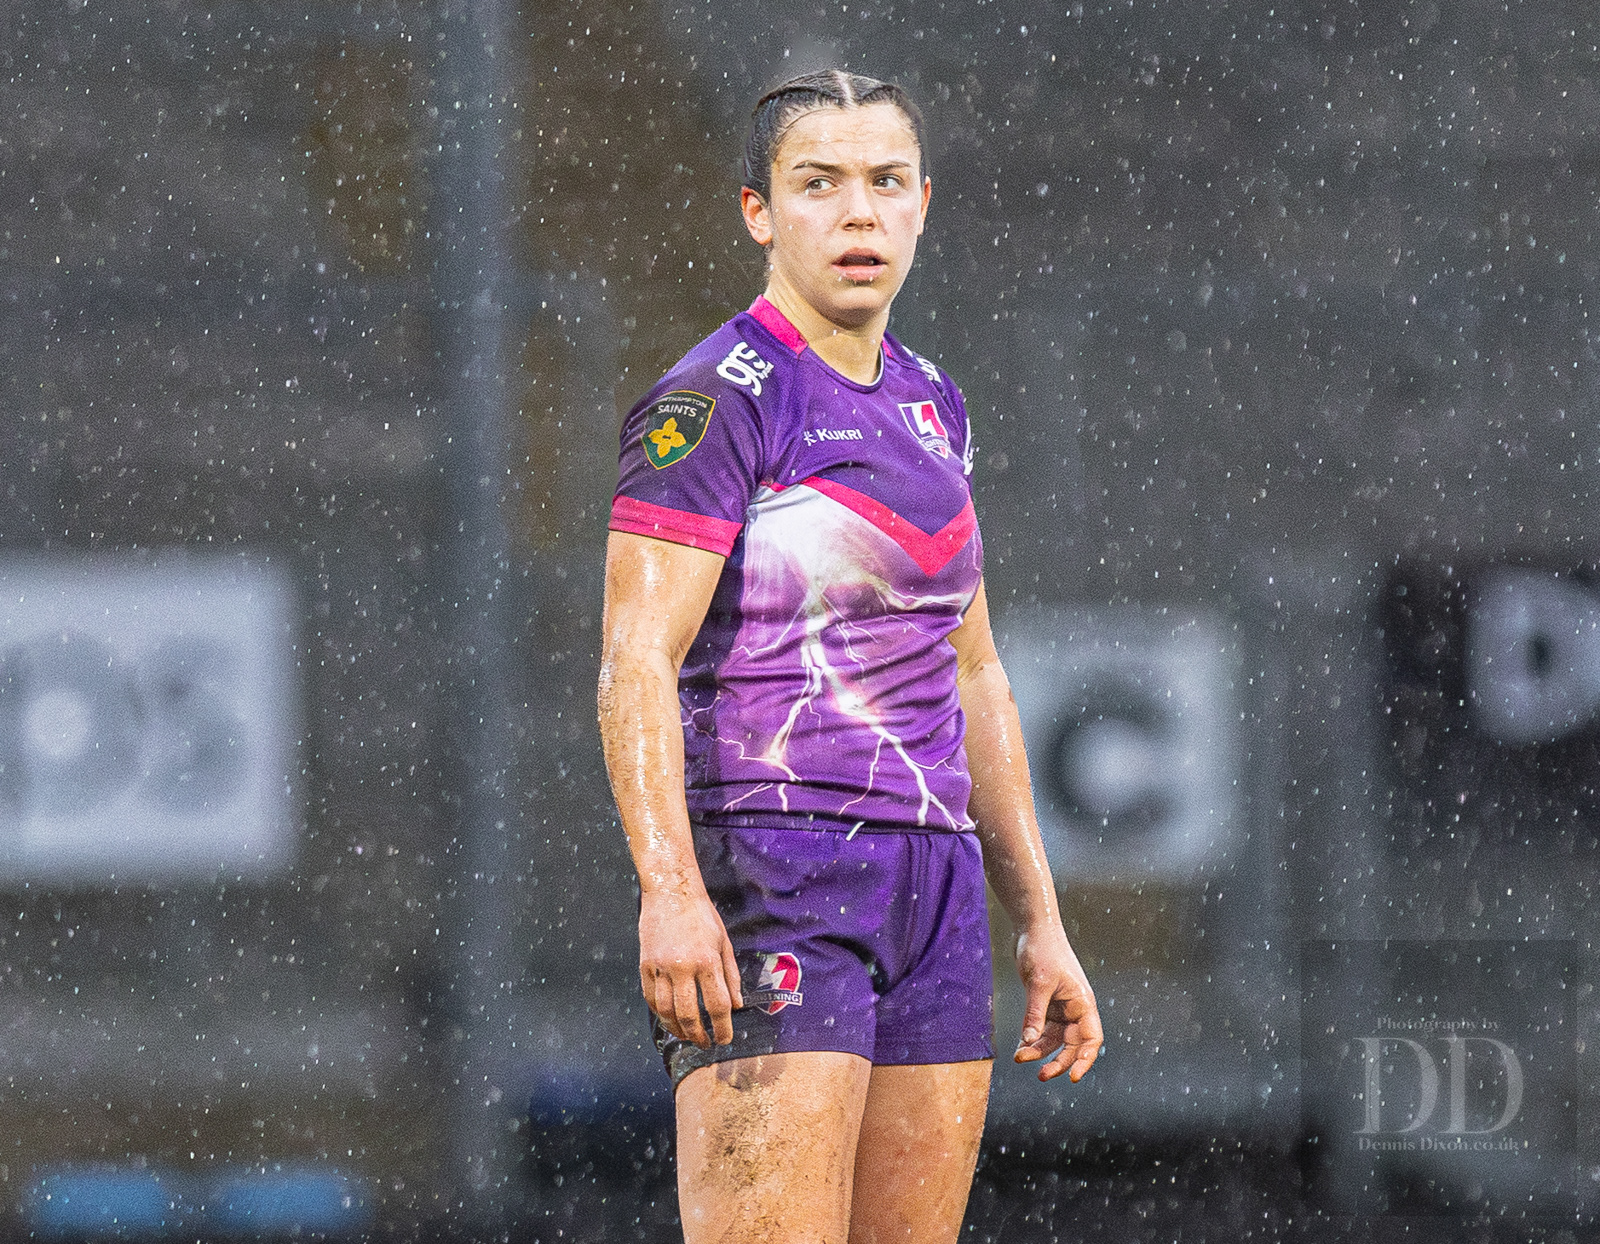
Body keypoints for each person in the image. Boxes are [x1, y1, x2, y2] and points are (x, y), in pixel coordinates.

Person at [598, 69, 1102, 1244]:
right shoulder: (715, 402)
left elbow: (973, 671)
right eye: (818, 184)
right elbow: (634, 656)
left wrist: (1039, 914)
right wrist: (670, 888)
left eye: (884, 182)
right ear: (758, 211)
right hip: (778, 866)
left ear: (923, 203)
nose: (858, 212)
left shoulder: (934, 404)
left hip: (935, 881)